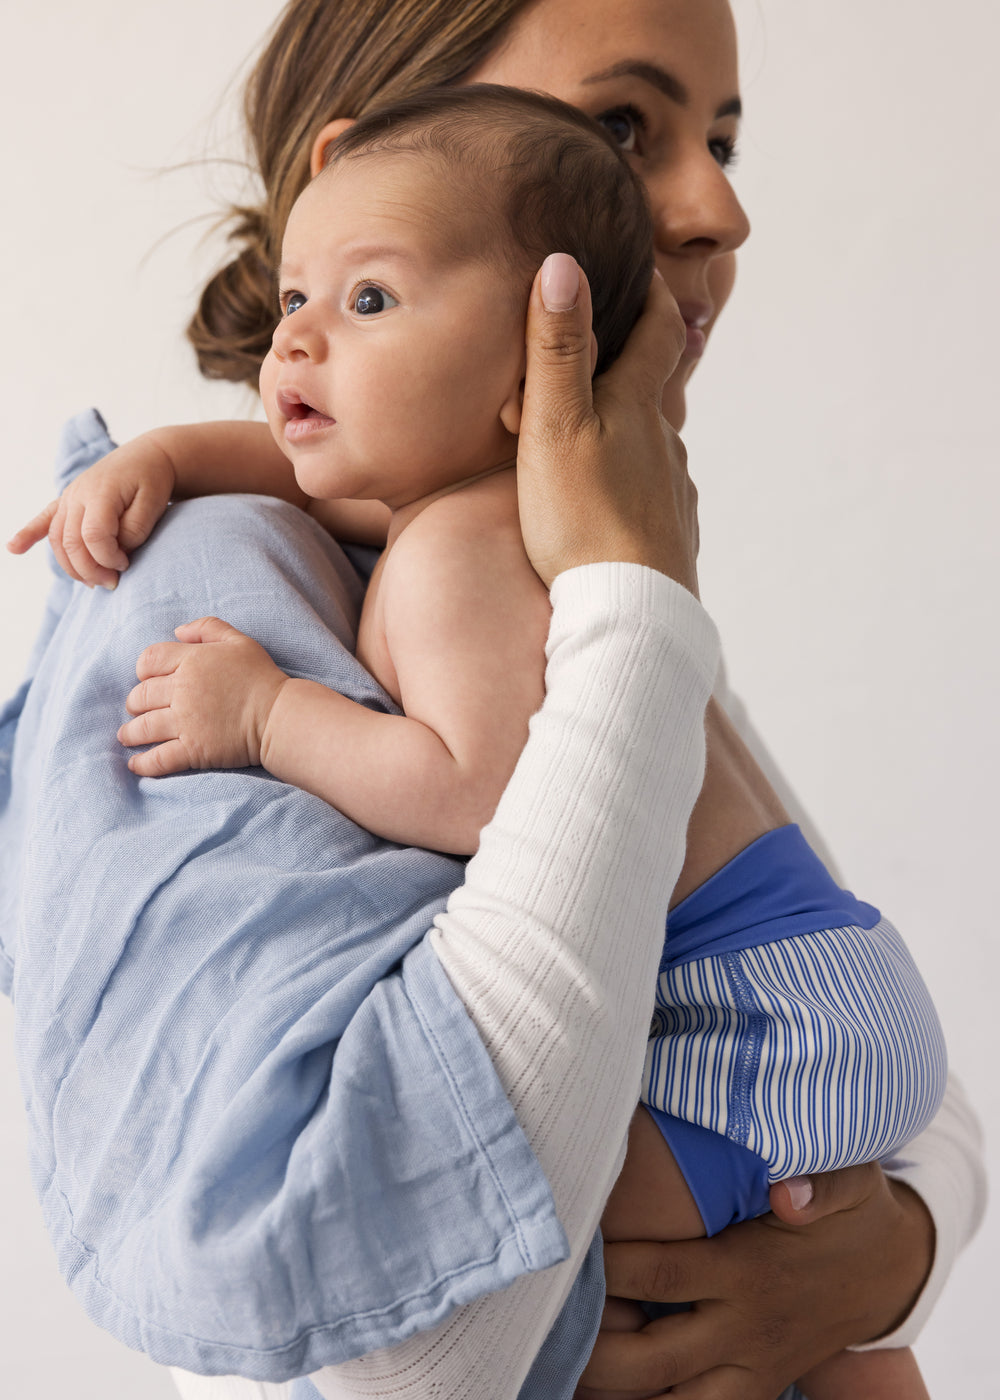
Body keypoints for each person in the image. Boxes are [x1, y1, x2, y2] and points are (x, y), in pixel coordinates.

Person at [1, 2, 984, 1399]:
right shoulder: (376, 558)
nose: (719, 210)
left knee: (599, 1247)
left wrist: (887, 1259)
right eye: (623, 127)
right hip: (791, 1023)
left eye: (721, 140)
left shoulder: (519, 553)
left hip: (770, 1029)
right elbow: (390, 1320)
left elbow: (481, 798)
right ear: (362, 149)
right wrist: (163, 459)